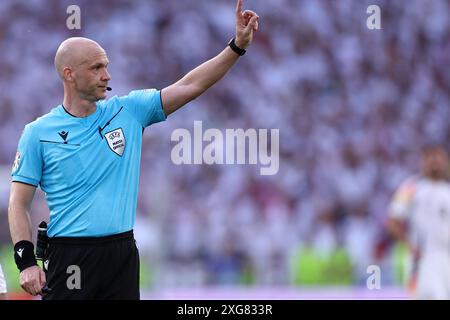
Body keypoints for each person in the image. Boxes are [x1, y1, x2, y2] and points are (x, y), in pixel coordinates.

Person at [8, 0, 259, 300]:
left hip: (121, 254)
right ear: (69, 74)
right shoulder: (38, 133)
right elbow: (18, 203)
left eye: (107, 66)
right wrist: (25, 262)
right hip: (70, 256)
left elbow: (190, 85)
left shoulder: (129, 111)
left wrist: (236, 47)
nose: (107, 75)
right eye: (97, 67)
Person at [387, 145, 450, 299]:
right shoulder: (411, 187)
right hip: (422, 258)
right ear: (423, 162)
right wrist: (409, 245)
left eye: (439, 158)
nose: (435, 162)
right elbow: (393, 220)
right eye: (430, 158)